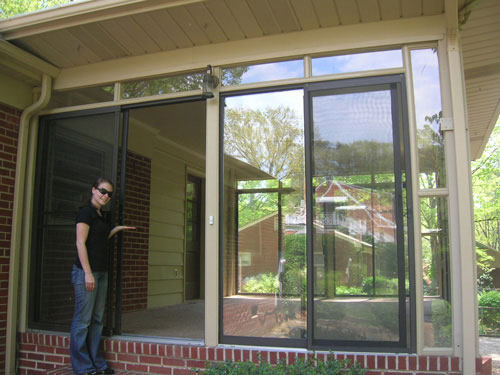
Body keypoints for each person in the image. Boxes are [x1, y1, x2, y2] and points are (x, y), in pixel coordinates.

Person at [70, 177, 135, 375]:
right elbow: (81, 243)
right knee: (83, 321)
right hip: (86, 273)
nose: (105, 196)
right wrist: (88, 273)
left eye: (109, 194)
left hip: (101, 273)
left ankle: (97, 364)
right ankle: (82, 368)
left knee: (97, 320)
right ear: (93, 190)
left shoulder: (101, 215)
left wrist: (117, 229)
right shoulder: (86, 213)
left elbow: (100, 238)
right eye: (102, 191)